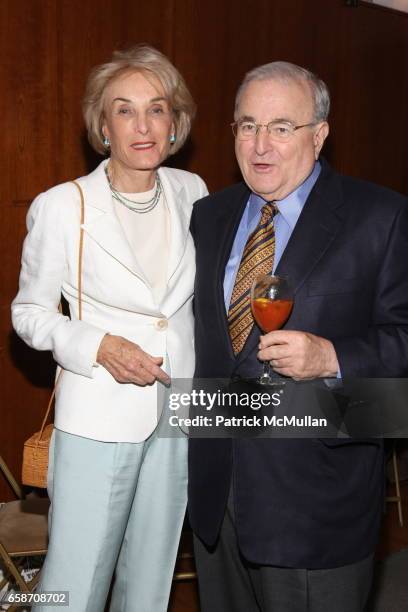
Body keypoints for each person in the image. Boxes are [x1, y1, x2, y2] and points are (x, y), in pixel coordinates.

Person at [188, 61, 408, 612]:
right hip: (220, 497)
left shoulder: (381, 216)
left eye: (282, 127)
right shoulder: (207, 216)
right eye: (246, 125)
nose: (261, 144)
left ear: (320, 133)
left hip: (315, 501)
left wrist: (333, 355)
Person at [12, 45, 207, 611]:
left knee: (151, 579)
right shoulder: (63, 206)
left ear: (176, 123)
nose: (142, 126)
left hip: (178, 412)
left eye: (157, 109)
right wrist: (98, 345)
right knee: (75, 583)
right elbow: (28, 314)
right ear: (102, 124)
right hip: (99, 415)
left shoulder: (192, 193)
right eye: (124, 111)